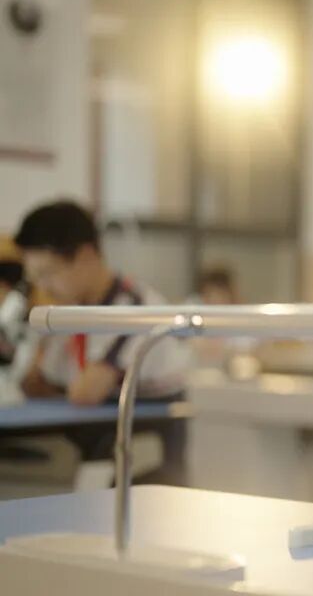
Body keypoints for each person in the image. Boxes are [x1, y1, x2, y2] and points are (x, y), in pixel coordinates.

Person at [14, 201, 190, 482]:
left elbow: (86, 393)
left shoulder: (135, 308)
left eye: (47, 274)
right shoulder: (69, 311)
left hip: (146, 461)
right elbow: (33, 383)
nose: (42, 287)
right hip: (96, 448)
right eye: (35, 278)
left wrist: (54, 383)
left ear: (85, 256)